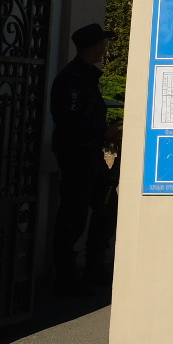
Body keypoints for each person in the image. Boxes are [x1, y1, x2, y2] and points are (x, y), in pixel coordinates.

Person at [49, 23, 113, 294]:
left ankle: (92, 266)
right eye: (103, 44)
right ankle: (65, 275)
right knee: (73, 214)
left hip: (90, 155)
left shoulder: (85, 77)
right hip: (77, 155)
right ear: (96, 47)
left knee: (106, 206)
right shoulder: (74, 79)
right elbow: (70, 122)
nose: (105, 48)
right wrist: (104, 131)